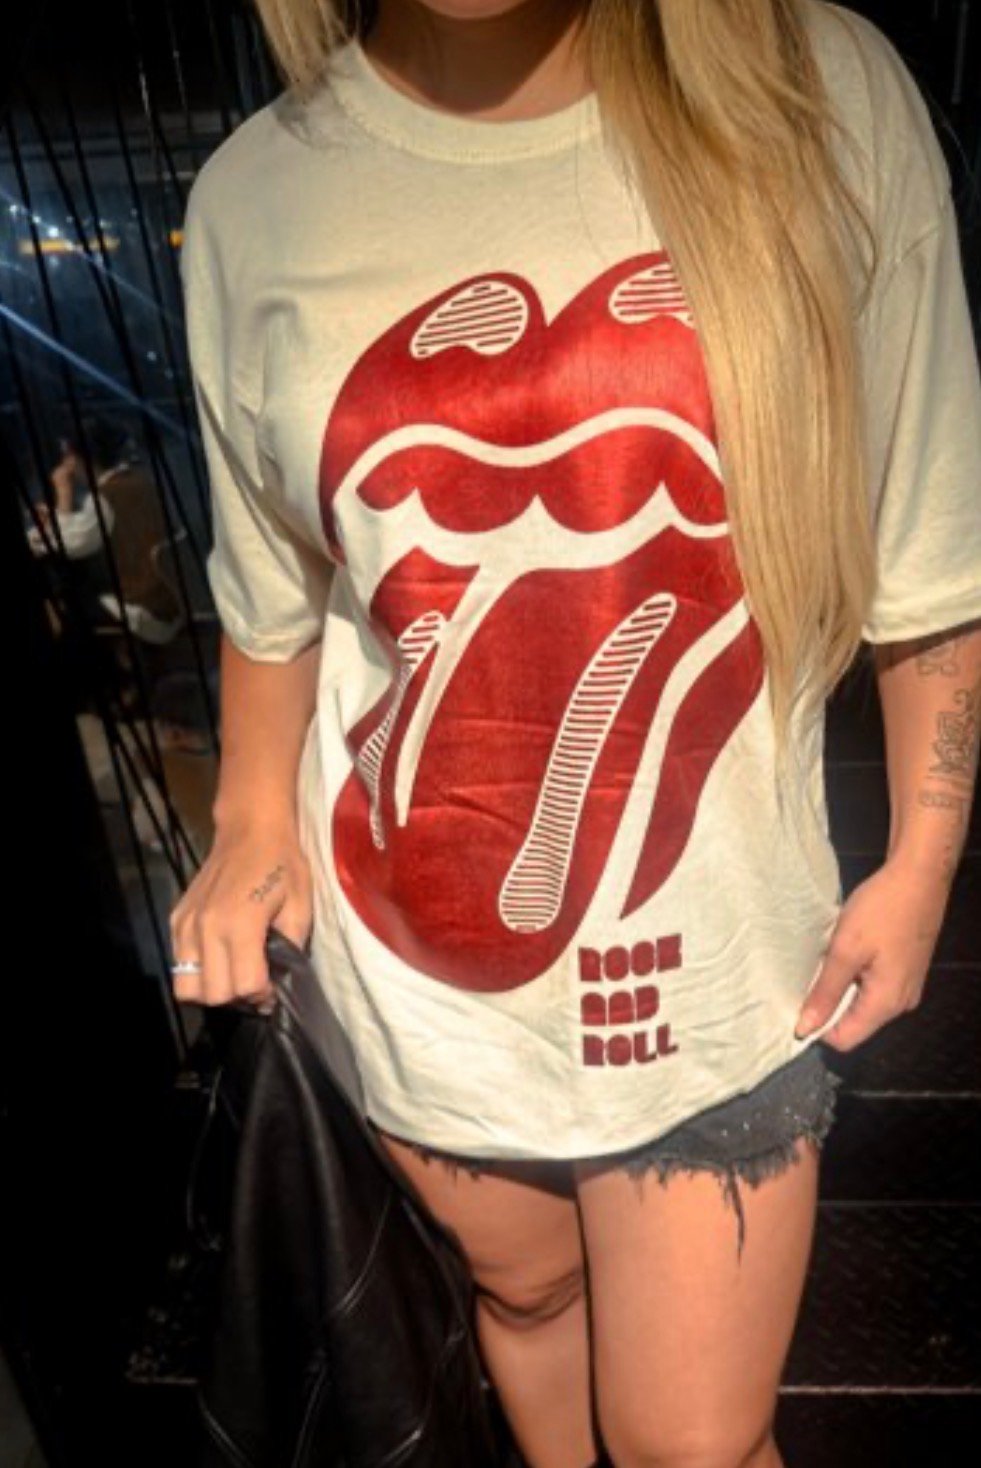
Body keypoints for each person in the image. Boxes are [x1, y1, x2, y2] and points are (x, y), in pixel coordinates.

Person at [169, 2, 981, 1464]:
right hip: (408, 973)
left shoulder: (817, 92)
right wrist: (245, 824)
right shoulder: (255, 193)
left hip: (715, 973)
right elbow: (274, 593)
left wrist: (924, 858)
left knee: (690, 1446)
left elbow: (930, 542)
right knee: (528, 1299)